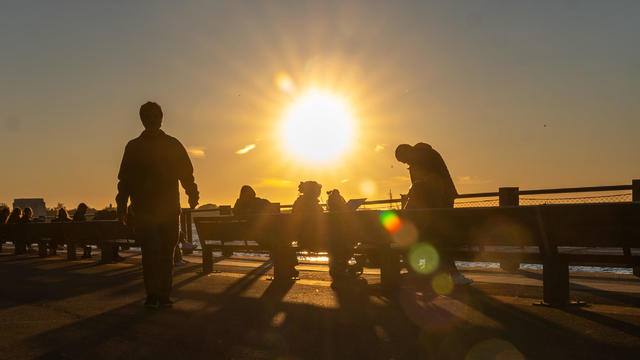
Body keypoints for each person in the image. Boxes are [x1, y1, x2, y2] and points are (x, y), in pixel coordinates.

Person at [116, 101, 199, 309]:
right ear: (143, 120)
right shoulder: (133, 147)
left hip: (170, 210)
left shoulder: (172, 144)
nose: (153, 121)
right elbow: (124, 180)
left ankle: (163, 294)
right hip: (144, 211)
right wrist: (122, 205)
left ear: (161, 118)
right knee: (151, 252)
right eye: (149, 117)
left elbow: (186, 173)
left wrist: (192, 193)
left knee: (166, 254)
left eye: (156, 116)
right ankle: (153, 294)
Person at [395, 143, 472, 285]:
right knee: (428, 238)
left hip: (436, 206)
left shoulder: (421, 159)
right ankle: (429, 271)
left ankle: (446, 273)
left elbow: (425, 186)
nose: (406, 163)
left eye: (404, 160)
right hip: (437, 205)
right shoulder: (424, 156)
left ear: (408, 152)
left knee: (432, 238)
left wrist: (418, 202)